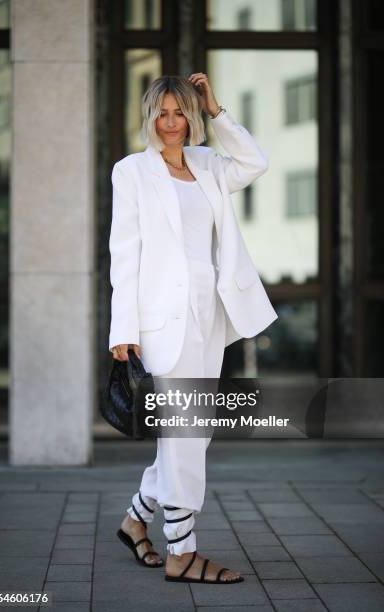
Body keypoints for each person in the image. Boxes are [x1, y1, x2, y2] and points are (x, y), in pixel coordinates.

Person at [109, 74, 277, 584]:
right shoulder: (132, 171)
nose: (170, 124)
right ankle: (182, 551)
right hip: (161, 325)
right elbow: (125, 251)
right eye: (161, 114)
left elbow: (255, 162)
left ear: (192, 115)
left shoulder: (208, 166)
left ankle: (137, 519)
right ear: (149, 118)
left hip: (209, 318)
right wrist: (123, 326)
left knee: (194, 434)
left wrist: (218, 109)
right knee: (182, 434)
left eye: (180, 112)